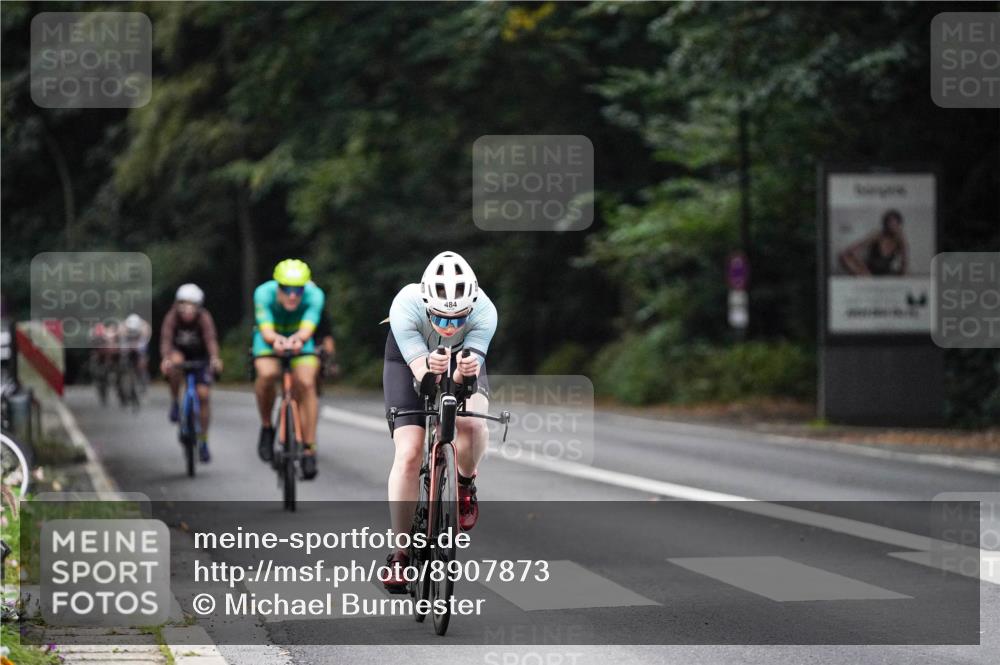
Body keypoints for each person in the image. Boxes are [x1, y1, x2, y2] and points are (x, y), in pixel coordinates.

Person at [381, 251, 497, 591]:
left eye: (459, 320)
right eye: (441, 319)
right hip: (409, 362)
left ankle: (464, 483)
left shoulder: (485, 311)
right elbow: (423, 380)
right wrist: (429, 366)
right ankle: (401, 554)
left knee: (473, 424)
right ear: (426, 304)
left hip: (463, 361)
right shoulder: (405, 304)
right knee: (409, 453)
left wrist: (462, 374)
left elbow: (463, 384)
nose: (449, 327)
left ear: (471, 308)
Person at [252, 259, 325, 480]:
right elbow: (265, 330)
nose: (293, 295)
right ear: (277, 286)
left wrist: (298, 340)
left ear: (306, 287)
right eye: (286, 289)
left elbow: (308, 326)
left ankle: (309, 448)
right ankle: (266, 427)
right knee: (267, 374)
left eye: (298, 290)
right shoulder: (263, 293)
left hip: (301, 341)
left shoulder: (315, 295)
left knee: (306, 383)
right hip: (269, 339)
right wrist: (275, 340)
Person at [159, 284, 222, 462]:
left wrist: (215, 358)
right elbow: (166, 340)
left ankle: (203, 441)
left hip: (200, 357)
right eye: (183, 304)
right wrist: (165, 359)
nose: (187, 309)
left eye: (191, 305)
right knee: (175, 363)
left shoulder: (204, 318)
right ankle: (174, 401)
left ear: (198, 306)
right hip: (179, 354)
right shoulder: (171, 318)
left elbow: (210, 340)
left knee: (203, 395)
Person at [839, 209, 909, 276]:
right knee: (843, 256)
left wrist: (904, 245)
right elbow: (850, 250)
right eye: (890, 223)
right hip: (868, 272)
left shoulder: (900, 240)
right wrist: (862, 266)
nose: (892, 226)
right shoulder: (877, 236)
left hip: (886, 273)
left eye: (895, 223)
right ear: (885, 224)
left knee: (905, 275)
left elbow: (904, 265)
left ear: (899, 225)